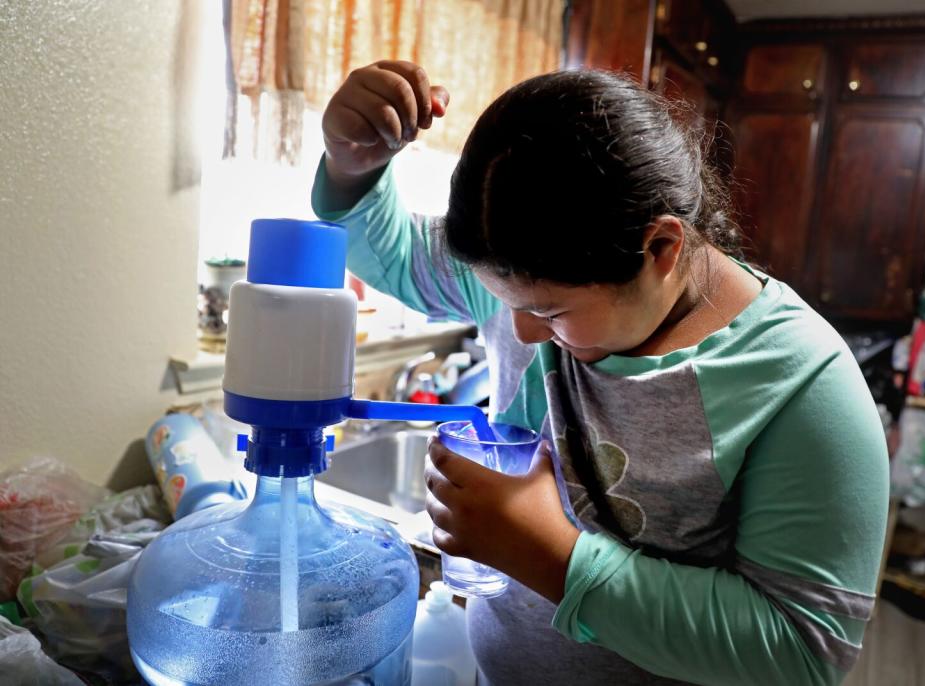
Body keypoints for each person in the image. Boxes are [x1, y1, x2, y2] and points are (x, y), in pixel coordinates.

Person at [312, 60, 889, 686]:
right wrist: (352, 164)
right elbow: (386, 248)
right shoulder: (522, 274)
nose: (521, 332)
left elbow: (802, 655)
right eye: (508, 304)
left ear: (662, 249)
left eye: (550, 311)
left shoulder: (804, 383)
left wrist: (554, 557)